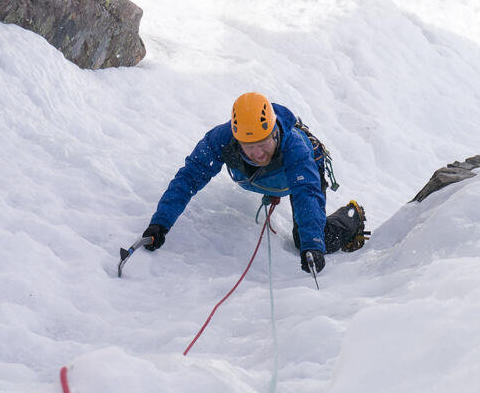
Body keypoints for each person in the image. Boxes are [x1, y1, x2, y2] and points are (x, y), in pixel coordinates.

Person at [141, 92, 369, 274]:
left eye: (263, 143)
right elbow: (189, 178)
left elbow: (306, 194)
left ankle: (352, 216)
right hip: (262, 179)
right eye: (249, 147)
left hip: (302, 175)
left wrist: (312, 245)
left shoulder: (295, 149)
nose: (258, 153)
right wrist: (160, 223)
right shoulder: (220, 140)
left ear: (275, 134)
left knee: (312, 240)